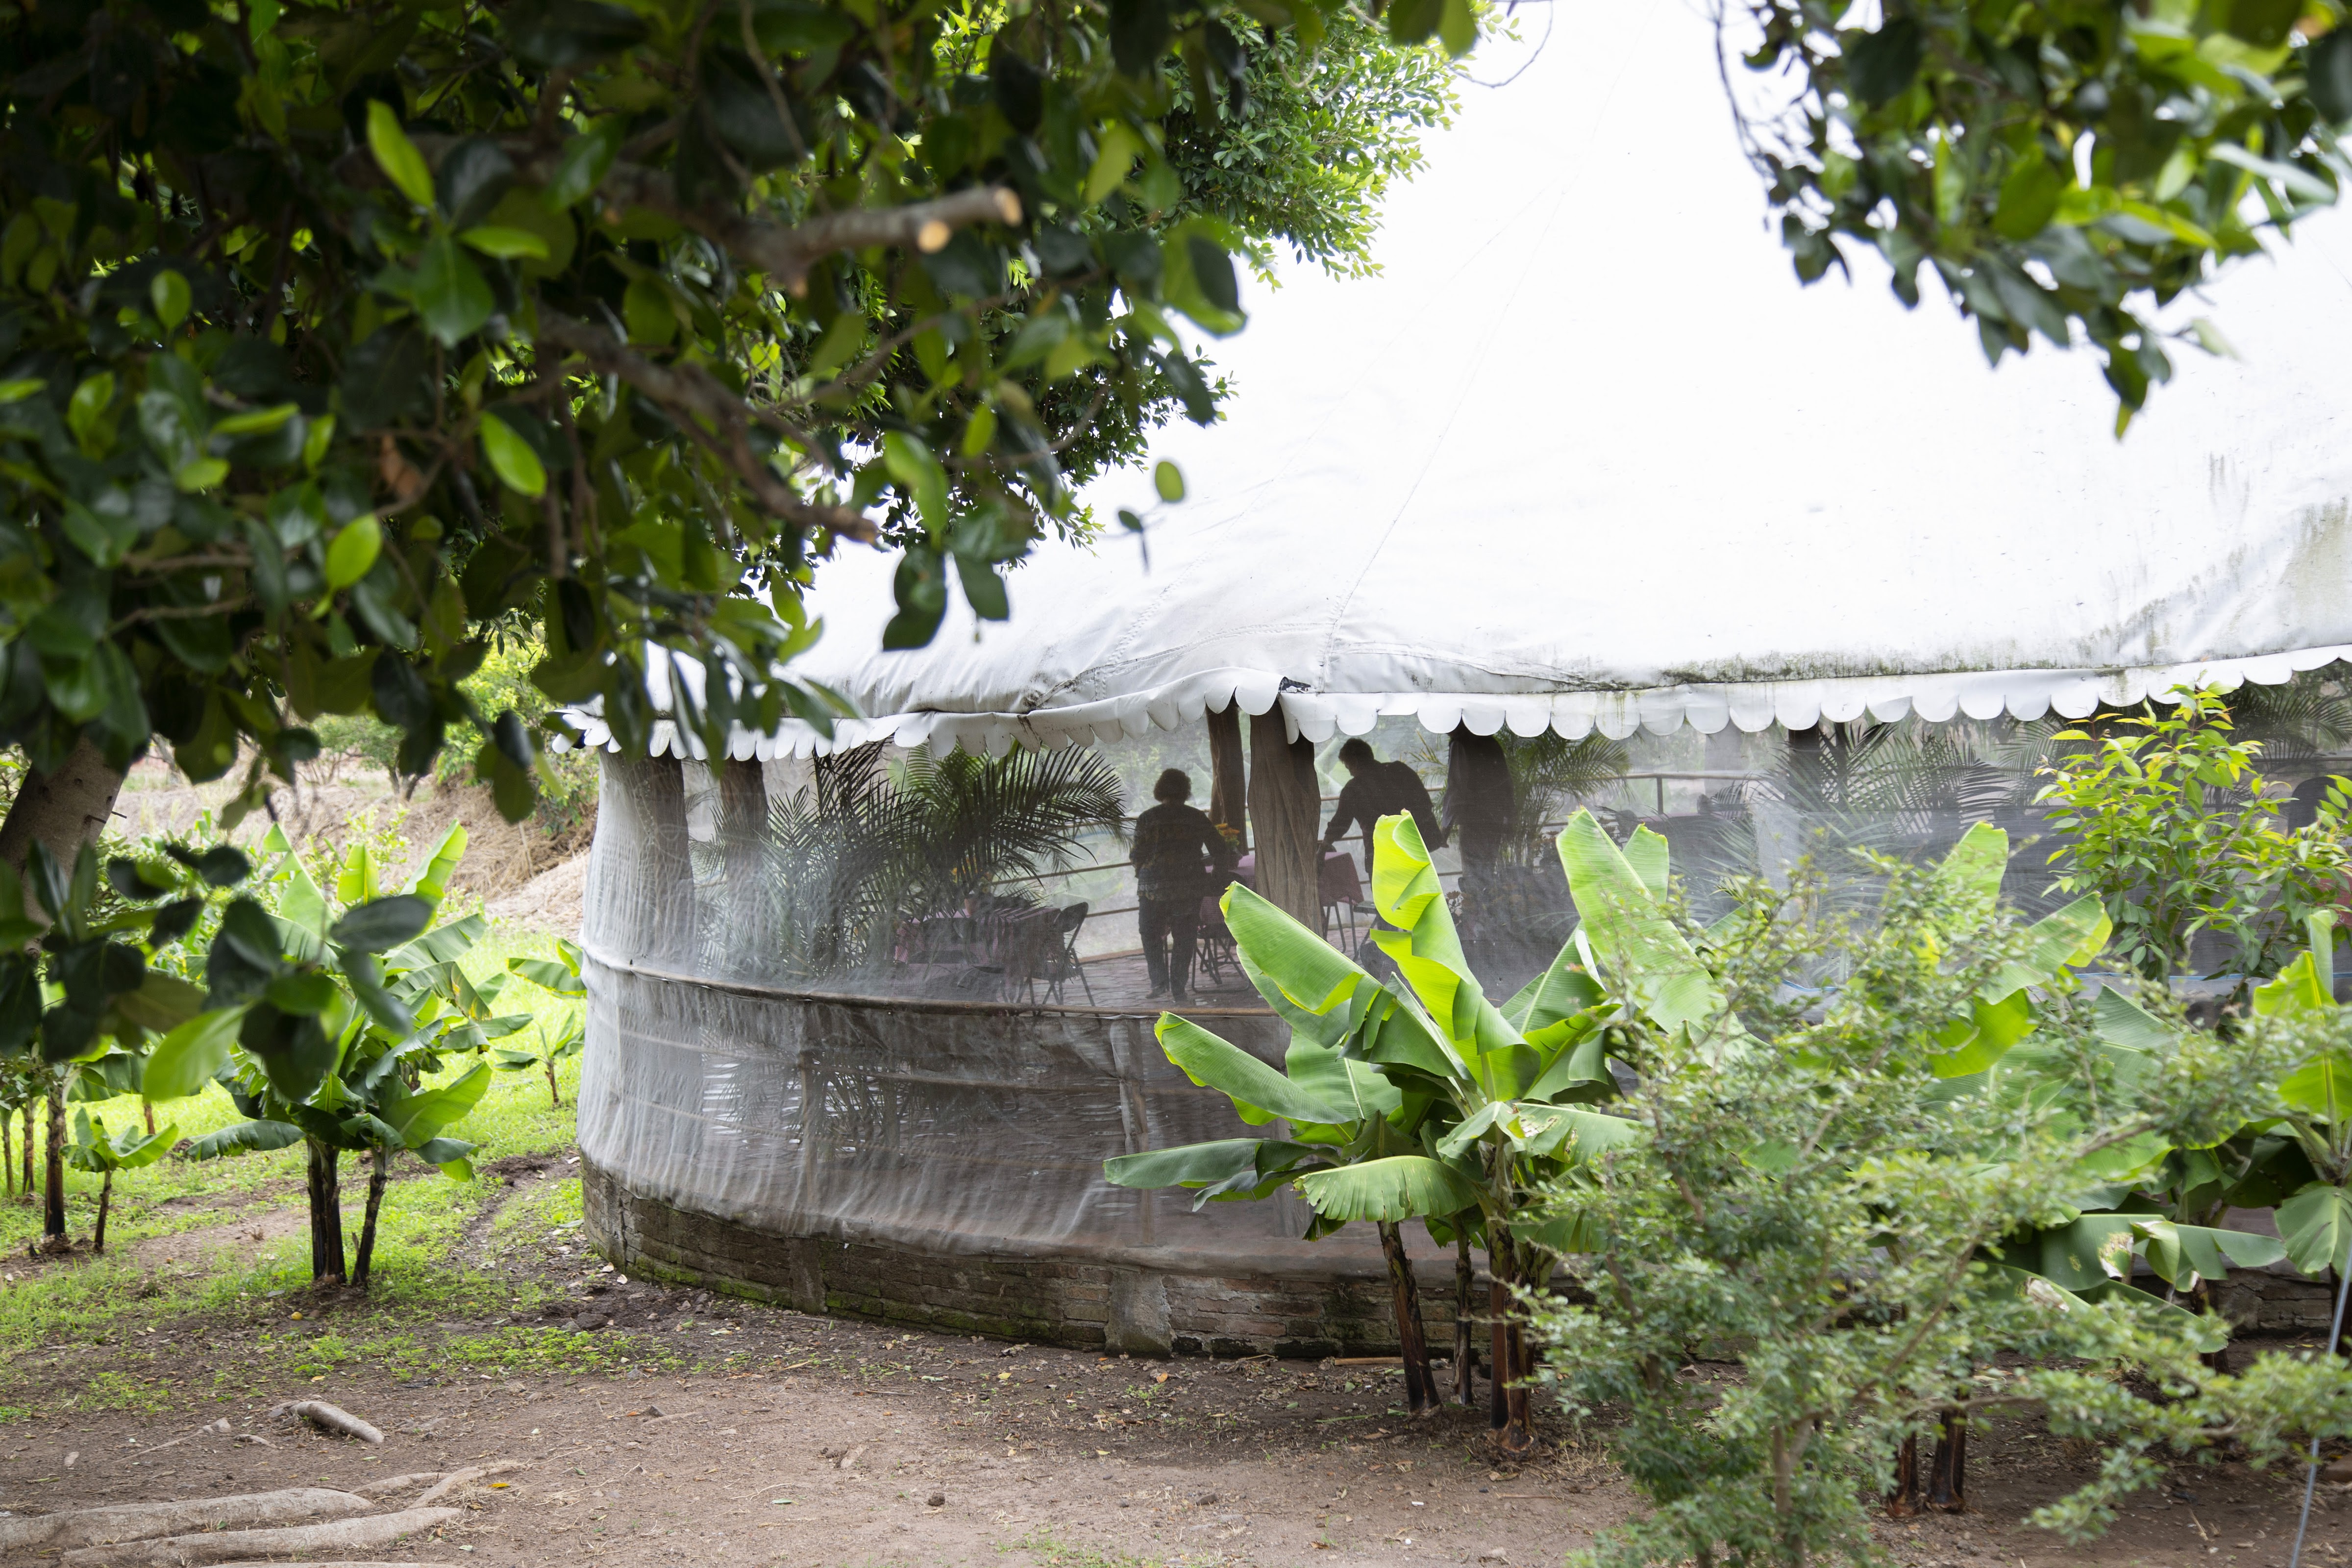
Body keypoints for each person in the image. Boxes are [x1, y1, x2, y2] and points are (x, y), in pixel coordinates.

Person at [1131, 769, 1238, 1003]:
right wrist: (1216, 879)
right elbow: (1219, 849)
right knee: (1184, 937)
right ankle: (1179, 988)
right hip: (1187, 889)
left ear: (1160, 790)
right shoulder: (1195, 817)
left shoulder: (1147, 818)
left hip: (1152, 890)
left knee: (1149, 934)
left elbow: (1137, 854)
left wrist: (1143, 873)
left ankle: (1158, 982)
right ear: (1185, 790)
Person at [1321, 739, 1444, 860]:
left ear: (1355, 762)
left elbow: (1339, 824)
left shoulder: (1353, 789)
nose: (1351, 774)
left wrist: (1321, 851)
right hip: (1414, 849)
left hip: (1381, 856)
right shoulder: (1400, 770)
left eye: (1349, 768)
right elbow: (1425, 805)